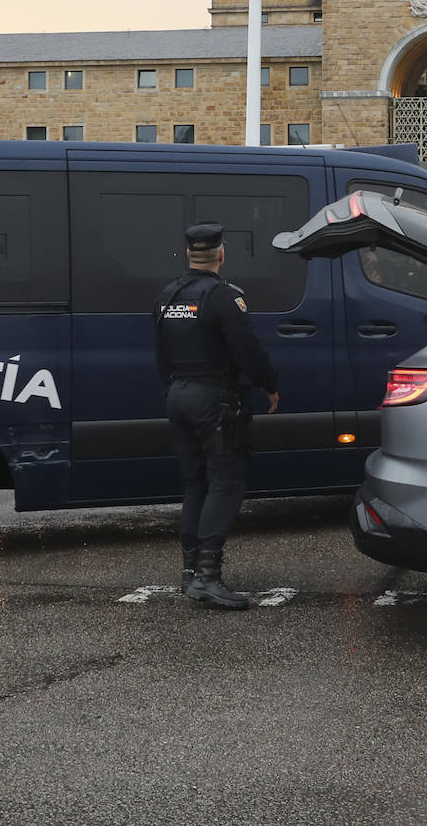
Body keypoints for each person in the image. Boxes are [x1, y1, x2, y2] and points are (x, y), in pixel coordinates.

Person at [154, 222, 279, 610]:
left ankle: (191, 571)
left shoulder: (168, 295)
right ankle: (208, 576)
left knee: (196, 484)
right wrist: (269, 385)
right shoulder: (224, 298)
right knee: (225, 483)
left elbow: (159, 351)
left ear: (190, 254)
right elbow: (248, 349)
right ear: (221, 254)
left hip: (178, 395)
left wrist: (175, 389)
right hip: (215, 401)